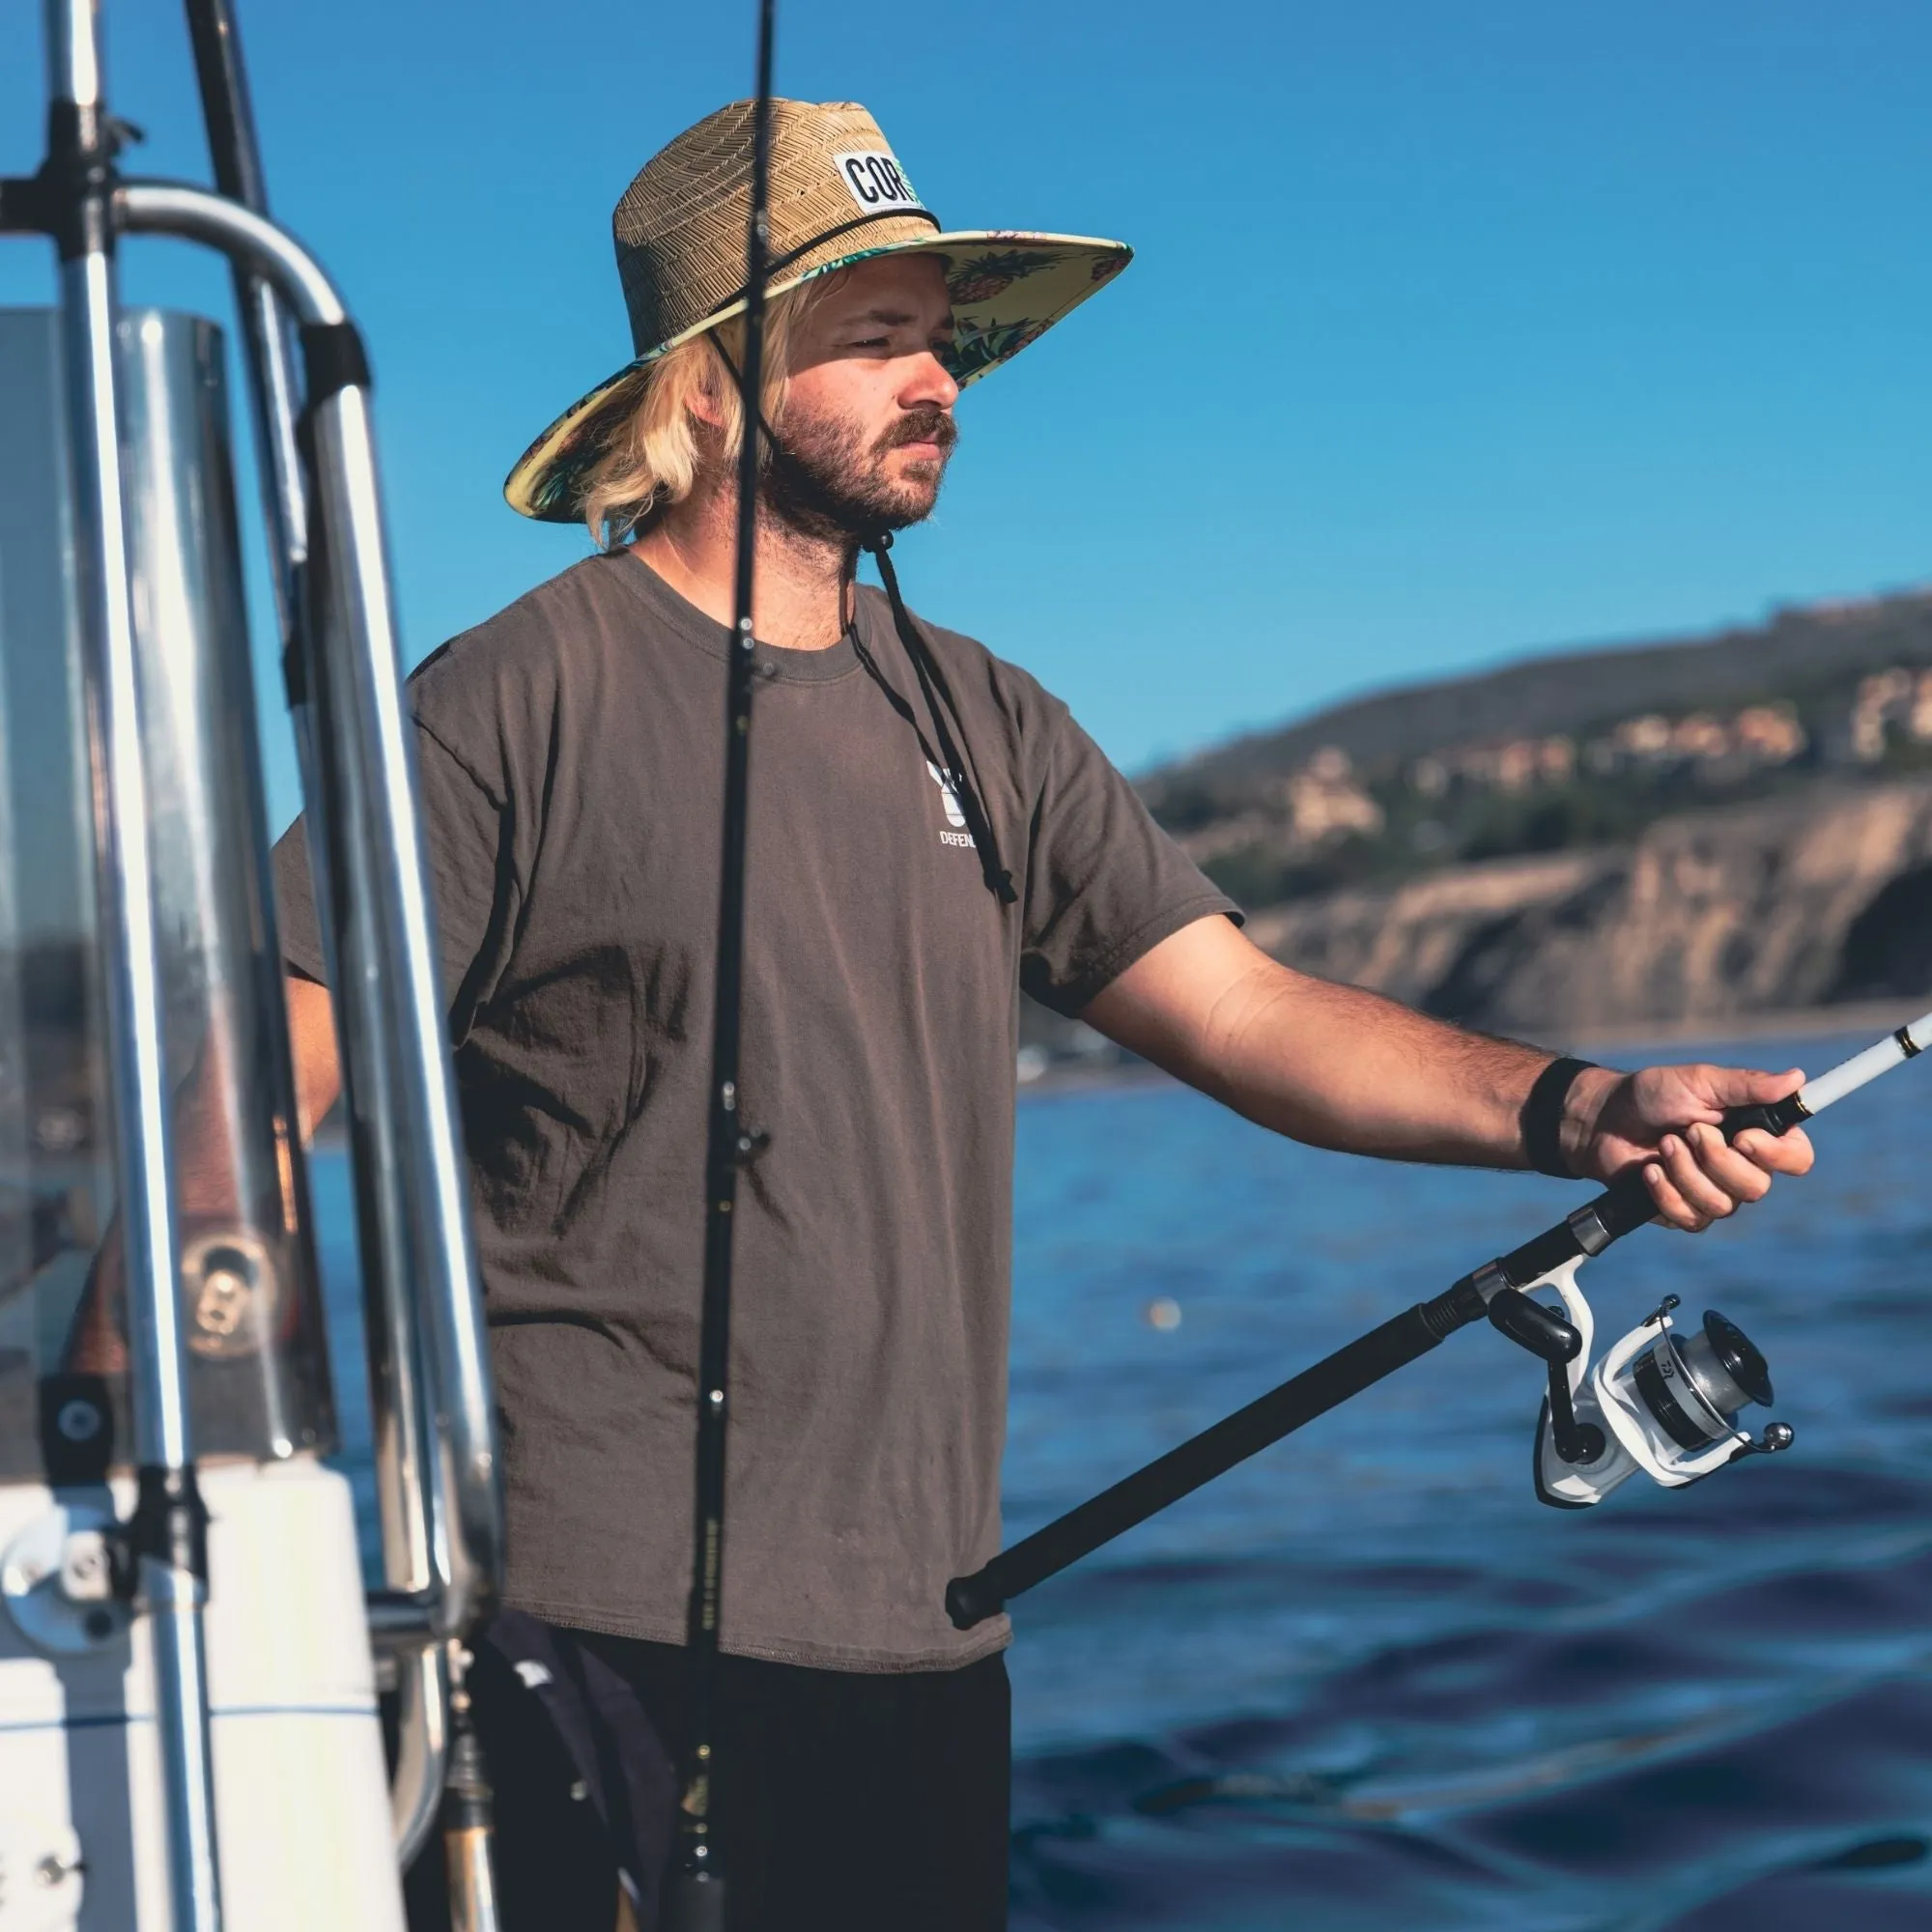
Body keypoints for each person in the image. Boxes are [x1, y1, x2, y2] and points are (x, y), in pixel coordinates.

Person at [138, 98, 1824, 1932]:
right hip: (586, 1632)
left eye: (942, 336)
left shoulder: (987, 719)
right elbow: (247, 1129)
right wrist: (150, 1525)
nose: (935, 378)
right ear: (707, 389)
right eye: (872, 336)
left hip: (933, 1634)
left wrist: (1582, 1109)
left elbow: (1247, 1014)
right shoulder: (504, 705)